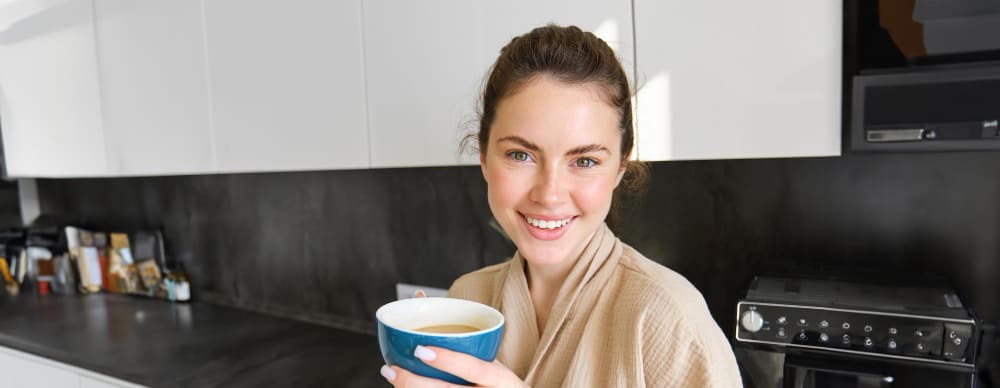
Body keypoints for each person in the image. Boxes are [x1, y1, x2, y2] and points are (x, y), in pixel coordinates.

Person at [380, 24, 742, 387]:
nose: (549, 194)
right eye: (520, 155)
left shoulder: (668, 316)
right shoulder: (469, 299)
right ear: (485, 158)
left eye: (584, 161)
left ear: (619, 166)